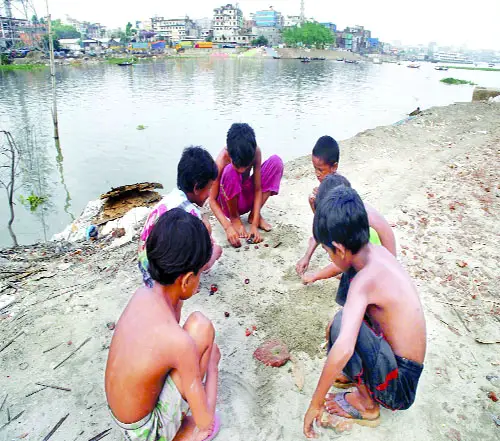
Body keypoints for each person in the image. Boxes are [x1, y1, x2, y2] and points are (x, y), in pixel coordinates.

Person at [303, 187, 426, 438]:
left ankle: (368, 405)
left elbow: (344, 346)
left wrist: (314, 404)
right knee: (344, 320)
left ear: (339, 248)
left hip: (399, 387)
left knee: (341, 327)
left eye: (328, 252)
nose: (329, 257)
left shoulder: (364, 280)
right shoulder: (373, 252)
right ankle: (359, 379)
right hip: (402, 365)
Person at [106, 209, 221, 441]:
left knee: (196, 331)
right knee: (202, 326)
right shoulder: (178, 343)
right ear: (188, 279)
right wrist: (213, 367)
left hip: (123, 415)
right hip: (145, 432)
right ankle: (176, 435)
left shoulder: (142, 294)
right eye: (199, 275)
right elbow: (206, 423)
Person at [138, 146, 222, 288]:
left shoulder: (169, 199)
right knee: (212, 245)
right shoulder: (190, 215)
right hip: (163, 277)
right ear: (196, 188)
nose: (209, 194)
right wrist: (212, 249)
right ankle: (184, 283)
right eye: (209, 188)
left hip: (145, 266)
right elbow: (202, 256)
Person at [296, 173, 396, 285]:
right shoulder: (348, 212)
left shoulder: (364, 228)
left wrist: (315, 276)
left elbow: (346, 259)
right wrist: (307, 256)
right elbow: (323, 231)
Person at [209, 123, 284, 248]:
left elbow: (258, 188)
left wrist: (254, 225)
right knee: (230, 172)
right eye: (238, 167)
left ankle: (254, 214)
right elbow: (211, 200)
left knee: (276, 162)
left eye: (246, 167)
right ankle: (235, 218)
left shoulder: (255, 152)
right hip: (229, 203)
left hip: (246, 196)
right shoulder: (222, 160)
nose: (243, 171)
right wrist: (227, 227)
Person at [308, 136, 340, 211]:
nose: (317, 174)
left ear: (334, 167)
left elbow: (333, 219)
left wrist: (321, 198)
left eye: (320, 170)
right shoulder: (327, 182)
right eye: (315, 168)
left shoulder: (339, 188)